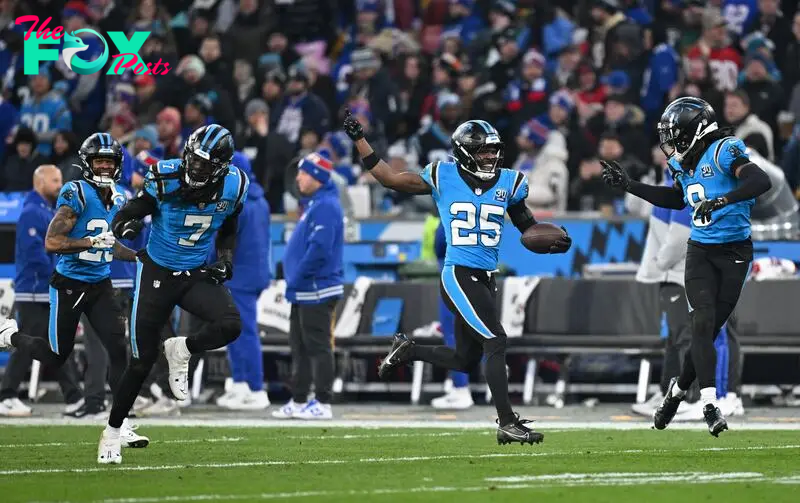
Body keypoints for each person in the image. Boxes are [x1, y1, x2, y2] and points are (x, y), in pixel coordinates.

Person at [342, 112, 572, 444]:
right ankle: (507, 422)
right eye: (482, 151)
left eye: (493, 150)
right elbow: (389, 179)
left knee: (465, 359)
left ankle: (408, 350)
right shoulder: (442, 175)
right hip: (459, 273)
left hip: (486, 277)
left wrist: (554, 242)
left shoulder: (510, 182)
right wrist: (360, 140)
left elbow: (528, 230)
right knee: (496, 340)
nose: (490, 156)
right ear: (464, 152)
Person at [600, 96, 771, 436]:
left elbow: (759, 182)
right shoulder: (681, 164)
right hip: (701, 251)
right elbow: (675, 198)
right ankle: (710, 404)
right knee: (702, 323)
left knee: (708, 331)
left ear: (694, 129)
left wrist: (722, 199)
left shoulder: (725, 149)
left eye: (675, 133)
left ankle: (676, 393)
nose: (669, 141)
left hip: (735, 252)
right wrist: (630, 186)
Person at [101, 124, 248, 464]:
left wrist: (225, 260)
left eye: (204, 164)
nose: (195, 168)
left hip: (194, 272)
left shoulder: (234, 185)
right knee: (141, 360)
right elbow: (133, 209)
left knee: (231, 324)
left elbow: (228, 226)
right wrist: (126, 224)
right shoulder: (164, 177)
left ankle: (182, 349)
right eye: (192, 160)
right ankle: (112, 430)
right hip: (157, 271)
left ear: (221, 168)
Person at [0, 135, 147, 445]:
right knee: (56, 355)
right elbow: (52, 242)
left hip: (100, 283)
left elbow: (109, 244)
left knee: (118, 347)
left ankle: (119, 424)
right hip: (69, 284)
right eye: (99, 161)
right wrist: (88, 243)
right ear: (87, 164)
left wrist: (138, 257)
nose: (105, 166)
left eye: (109, 161)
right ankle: (9, 336)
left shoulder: (118, 197)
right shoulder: (75, 192)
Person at [0, 165, 84, 417]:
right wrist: (58, 275)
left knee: (49, 343)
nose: (60, 184)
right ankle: (7, 395)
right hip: (34, 289)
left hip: (43, 288)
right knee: (34, 342)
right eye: (55, 180)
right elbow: (35, 254)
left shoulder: (47, 210)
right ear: (40, 182)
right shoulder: (31, 211)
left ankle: (73, 397)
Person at [272, 152, 344, 421]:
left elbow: (320, 250)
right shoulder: (314, 204)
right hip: (303, 289)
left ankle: (323, 402)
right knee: (299, 347)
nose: (298, 177)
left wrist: (297, 276)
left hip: (317, 288)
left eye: (304, 172)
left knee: (318, 346)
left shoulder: (326, 205)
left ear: (317, 176)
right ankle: (300, 399)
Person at [214, 151, 272, 411]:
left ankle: (257, 388)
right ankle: (240, 385)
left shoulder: (237, 203)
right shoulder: (260, 200)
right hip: (252, 273)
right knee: (234, 331)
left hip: (240, 276)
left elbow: (222, 241)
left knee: (245, 333)